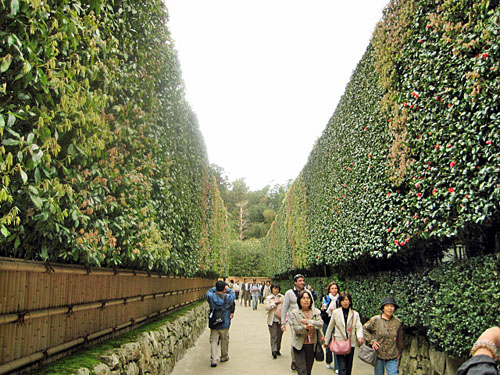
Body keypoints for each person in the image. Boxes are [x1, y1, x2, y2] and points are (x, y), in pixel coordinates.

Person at [324, 292, 364, 375]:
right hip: (339, 342)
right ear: (340, 302)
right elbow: (330, 327)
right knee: (342, 368)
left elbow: (359, 326)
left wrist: (360, 337)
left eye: (347, 300)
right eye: (343, 300)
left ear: (350, 301)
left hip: (350, 342)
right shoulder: (335, 313)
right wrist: (326, 341)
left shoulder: (355, 314)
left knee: (348, 369)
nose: (345, 302)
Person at [363, 296, 404, 375]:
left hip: (393, 355)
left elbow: (400, 338)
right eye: (387, 306)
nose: (389, 308)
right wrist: (372, 341)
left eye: (392, 306)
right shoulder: (376, 320)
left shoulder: (398, 322)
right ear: (383, 308)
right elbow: (364, 329)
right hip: (378, 354)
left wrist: (399, 352)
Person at [290, 289, 324, 375]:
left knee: (308, 370)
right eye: (303, 298)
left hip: (312, 345)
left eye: (308, 298)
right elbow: (296, 328)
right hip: (299, 345)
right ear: (299, 300)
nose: (306, 300)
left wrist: (309, 322)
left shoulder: (316, 312)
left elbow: (320, 324)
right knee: (302, 371)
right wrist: (306, 328)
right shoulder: (295, 313)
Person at [281, 274, 308, 371]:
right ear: (295, 282)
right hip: (293, 322)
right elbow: (284, 308)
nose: (302, 282)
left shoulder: (307, 292)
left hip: (305, 321)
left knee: (305, 341)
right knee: (295, 340)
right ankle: (294, 360)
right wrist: (283, 323)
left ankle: (303, 359)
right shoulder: (289, 293)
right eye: (300, 281)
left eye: (303, 280)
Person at [206, 280, 236, 367]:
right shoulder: (228, 297)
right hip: (225, 322)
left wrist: (216, 287)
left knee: (213, 340)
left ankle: (213, 359)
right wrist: (228, 288)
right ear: (224, 289)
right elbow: (234, 296)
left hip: (214, 322)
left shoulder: (211, 297)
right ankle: (224, 356)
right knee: (224, 340)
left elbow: (208, 292)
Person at [321, 282, 340, 372]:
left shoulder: (341, 299)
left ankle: (337, 366)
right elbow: (323, 314)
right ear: (329, 289)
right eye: (332, 288)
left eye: (335, 288)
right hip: (327, 323)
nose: (334, 290)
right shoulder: (325, 298)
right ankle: (328, 361)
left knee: (337, 344)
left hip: (338, 324)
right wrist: (325, 310)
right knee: (327, 343)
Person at [264, 283, 284, 359]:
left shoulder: (282, 297)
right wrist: (274, 304)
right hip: (272, 319)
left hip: (280, 319)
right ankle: (273, 350)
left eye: (277, 288)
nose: (276, 290)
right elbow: (267, 307)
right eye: (274, 288)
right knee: (273, 336)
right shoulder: (268, 298)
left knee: (279, 336)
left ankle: (278, 349)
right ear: (272, 289)